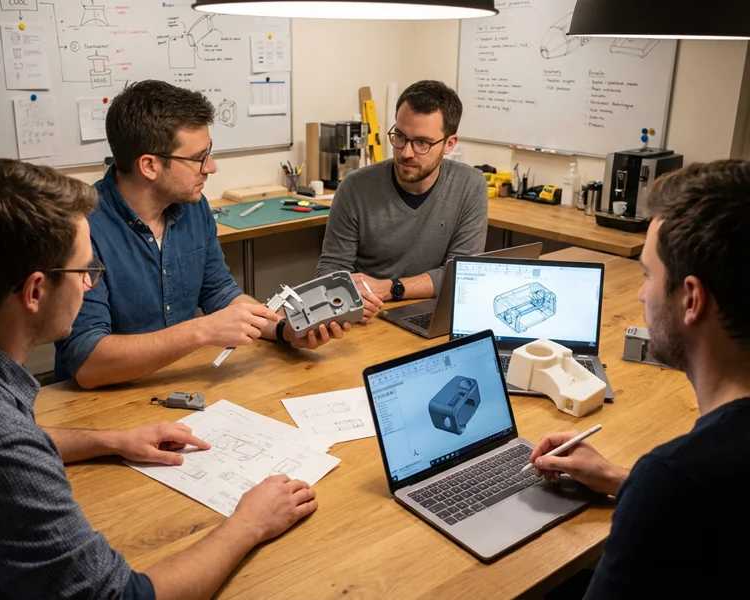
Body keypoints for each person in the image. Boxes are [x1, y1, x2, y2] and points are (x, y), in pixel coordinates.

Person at [0, 158, 318, 599]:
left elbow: (13, 438)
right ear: (34, 291)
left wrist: (110, 440)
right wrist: (248, 524)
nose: (90, 285)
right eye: (85, 272)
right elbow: (122, 596)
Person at [529, 159, 750, 598]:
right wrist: (619, 479)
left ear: (691, 299)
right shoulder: (689, 480)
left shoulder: (675, 479)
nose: (640, 293)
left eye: (649, 275)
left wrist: (650, 491)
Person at [55, 80, 350, 389]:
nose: (211, 167)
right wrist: (202, 331)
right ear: (149, 165)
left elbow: (219, 293)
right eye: (198, 158)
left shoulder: (192, 207)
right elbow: (87, 363)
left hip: (178, 384)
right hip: (103, 401)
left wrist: (285, 330)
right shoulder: (80, 229)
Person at [315, 80, 488, 321]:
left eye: (422, 143)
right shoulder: (355, 187)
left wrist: (391, 288)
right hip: (370, 317)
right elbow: (330, 270)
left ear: (449, 144)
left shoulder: (470, 185)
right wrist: (345, 296)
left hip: (431, 314)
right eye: (400, 136)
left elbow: (461, 275)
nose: (406, 152)